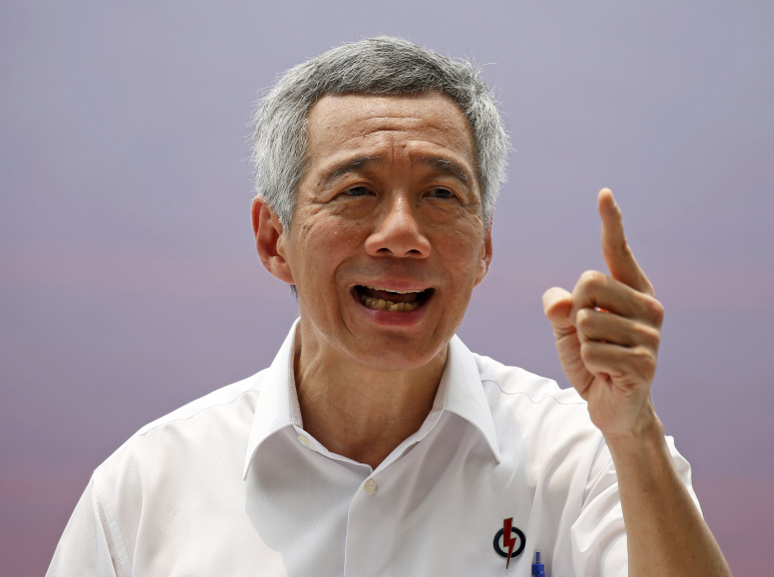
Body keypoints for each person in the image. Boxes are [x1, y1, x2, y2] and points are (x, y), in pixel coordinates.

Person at [47, 37, 730, 576]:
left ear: (485, 246)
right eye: (356, 191)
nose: (402, 233)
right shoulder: (147, 488)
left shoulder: (584, 457)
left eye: (440, 194)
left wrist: (634, 433)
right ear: (273, 239)